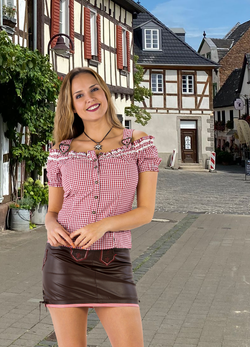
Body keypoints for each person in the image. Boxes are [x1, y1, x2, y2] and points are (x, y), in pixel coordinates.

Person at [42, 67, 161, 347]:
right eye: (79, 95)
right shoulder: (61, 151)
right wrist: (50, 225)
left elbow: (146, 212)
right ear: (72, 105)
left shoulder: (138, 143)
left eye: (94, 89)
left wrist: (103, 225)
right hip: (64, 259)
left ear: (105, 92)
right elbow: (52, 211)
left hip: (113, 261)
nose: (89, 98)